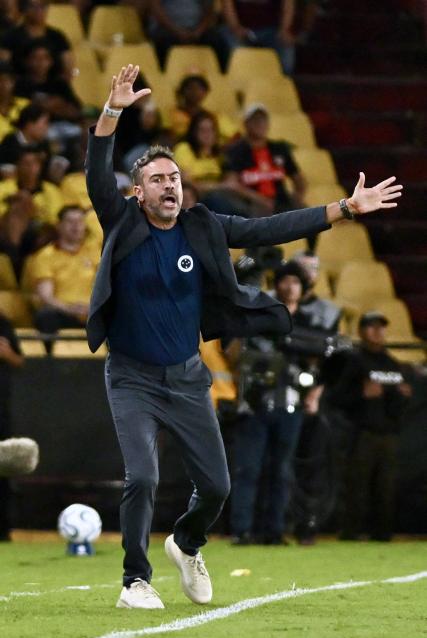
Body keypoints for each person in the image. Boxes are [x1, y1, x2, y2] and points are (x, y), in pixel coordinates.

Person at [85, 63, 402, 609]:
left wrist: (345, 209)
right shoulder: (123, 222)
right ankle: (135, 580)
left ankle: (186, 543)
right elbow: (96, 172)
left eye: (175, 178)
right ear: (138, 192)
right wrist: (112, 111)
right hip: (132, 378)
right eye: (158, 179)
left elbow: (270, 227)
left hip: (186, 378)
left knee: (218, 487)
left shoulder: (202, 225)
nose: (169, 186)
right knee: (142, 477)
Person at [229, 260, 323, 545]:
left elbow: (319, 362)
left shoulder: (309, 323)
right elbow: (238, 352)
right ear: (277, 283)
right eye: (285, 280)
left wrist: (314, 394)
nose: (290, 286)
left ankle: (275, 529)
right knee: (249, 468)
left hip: (290, 404)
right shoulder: (260, 315)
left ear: (303, 287)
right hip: (256, 403)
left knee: (282, 470)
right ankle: (243, 529)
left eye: (296, 281)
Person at [330, 311, 412, 541]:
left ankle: (383, 533)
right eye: (371, 327)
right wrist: (360, 394)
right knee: (357, 485)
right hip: (361, 432)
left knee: (386, 487)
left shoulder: (392, 363)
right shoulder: (353, 361)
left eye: (381, 327)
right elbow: (336, 398)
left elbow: (397, 404)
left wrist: (403, 396)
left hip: (387, 433)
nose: (377, 332)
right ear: (361, 331)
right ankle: (351, 532)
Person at [31, 204, 99, 351]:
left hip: (93, 313)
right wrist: (70, 309)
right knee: (45, 316)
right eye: (70, 221)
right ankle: (50, 366)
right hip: (63, 312)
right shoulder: (46, 255)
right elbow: (46, 297)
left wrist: (92, 308)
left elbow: (108, 287)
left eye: (80, 221)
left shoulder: (95, 252)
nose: (76, 226)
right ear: (59, 226)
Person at [223, 103, 307, 217]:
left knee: (307, 216)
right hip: (251, 204)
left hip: (280, 202)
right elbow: (231, 184)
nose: (260, 124)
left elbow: (298, 178)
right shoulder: (236, 151)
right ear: (246, 124)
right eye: (256, 120)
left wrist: (297, 197)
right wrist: (258, 199)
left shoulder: (280, 148)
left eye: (263, 120)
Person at [0, 0, 73, 79]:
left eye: (42, 6)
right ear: (24, 9)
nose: (38, 10)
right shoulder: (10, 37)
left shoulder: (58, 37)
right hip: (20, 87)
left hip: (51, 87)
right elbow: (4, 69)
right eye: (33, 6)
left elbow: (68, 69)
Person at [221, 0, 297, 75]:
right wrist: (235, 27)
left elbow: (288, 6)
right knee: (237, 52)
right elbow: (227, 6)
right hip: (239, 27)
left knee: (286, 61)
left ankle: (278, 84)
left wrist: (284, 30)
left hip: (272, 30)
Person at [147, 0, 227, 70]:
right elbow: (156, 8)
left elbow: (209, 9)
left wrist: (198, 31)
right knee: (163, 43)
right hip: (168, 29)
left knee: (217, 41)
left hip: (197, 29)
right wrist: (177, 31)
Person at [0, 312, 24, 541]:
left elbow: (19, 360)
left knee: (3, 468)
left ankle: (3, 529)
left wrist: (7, 354)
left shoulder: (3, 322)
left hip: (0, 412)